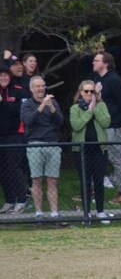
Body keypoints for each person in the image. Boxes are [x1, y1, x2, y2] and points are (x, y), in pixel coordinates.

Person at [93, 51, 121, 204]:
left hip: (113, 126)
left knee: (115, 158)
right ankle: (95, 190)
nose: (93, 62)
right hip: (100, 125)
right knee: (99, 158)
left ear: (105, 63)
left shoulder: (114, 80)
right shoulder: (99, 79)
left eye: (96, 60)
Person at [21, 76, 65, 225]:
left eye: (43, 86)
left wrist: (52, 108)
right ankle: (38, 213)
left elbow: (60, 122)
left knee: (52, 180)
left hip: (52, 143)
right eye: (37, 86)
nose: (41, 89)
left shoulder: (53, 103)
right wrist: (41, 107)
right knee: (36, 180)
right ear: (32, 89)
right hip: (35, 144)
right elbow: (28, 121)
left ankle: (54, 213)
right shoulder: (27, 104)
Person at [70, 80, 111, 224]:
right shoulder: (75, 108)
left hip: (99, 150)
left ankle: (100, 211)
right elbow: (76, 125)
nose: (89, 94)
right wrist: (89, 111)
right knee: (85, 182)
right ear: (81, 92)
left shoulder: (101, 105)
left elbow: (106, 122)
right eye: (86, 91)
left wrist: (95, 108)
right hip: (81, 151)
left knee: (99, 181)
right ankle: (86, 213)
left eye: (92, 91)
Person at [0, 64, 29, 214]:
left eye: (6, 75)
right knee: (2, 170)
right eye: (0, 76)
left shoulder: (18, 91)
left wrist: (2, 102)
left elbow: (18, 112)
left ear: (10, 77)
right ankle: (10, 200)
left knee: (14, 167)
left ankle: (22, 200)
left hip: (14, 136)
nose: (3, 78)